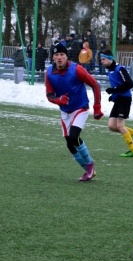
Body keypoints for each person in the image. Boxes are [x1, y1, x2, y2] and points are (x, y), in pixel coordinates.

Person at [45, 43, 103, 181]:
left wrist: (97, 107)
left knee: (73, 137)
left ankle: (90, 164)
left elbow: (95, 84)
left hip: (80, 108)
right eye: (56, 55)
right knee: (69, 143)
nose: (59, 58)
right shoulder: (49, 73)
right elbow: (49, 95)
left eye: (62, 55)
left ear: (66, 56)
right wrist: (59, 100)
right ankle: (88, 170)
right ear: (53, 57)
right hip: (65, 111)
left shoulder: (76, 69)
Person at [100, 49, 133, 157]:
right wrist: (113, 96)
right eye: (101, 59)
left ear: (110, 59)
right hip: (119, 99)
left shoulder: (119, 69)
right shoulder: (109, 70)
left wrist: (114, 90)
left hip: (125, 99)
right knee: (112, 126)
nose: (101, 61)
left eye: (103, 59)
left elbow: (129, 84)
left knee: (120, 125)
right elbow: (118, 85)